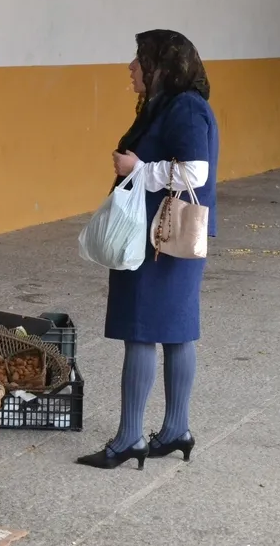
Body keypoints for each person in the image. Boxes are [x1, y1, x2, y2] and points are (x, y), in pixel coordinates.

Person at [77, 29, 220, 469]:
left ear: (162, 66)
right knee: (176, 329)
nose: (132, 67)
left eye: (139, 59)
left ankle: (129, 440)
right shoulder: (171, 103)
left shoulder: (185, 107)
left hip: (160, 237)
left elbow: (195, 172)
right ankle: (176, 431)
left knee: (141, 328)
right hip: (166, 236)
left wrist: (137, 168)